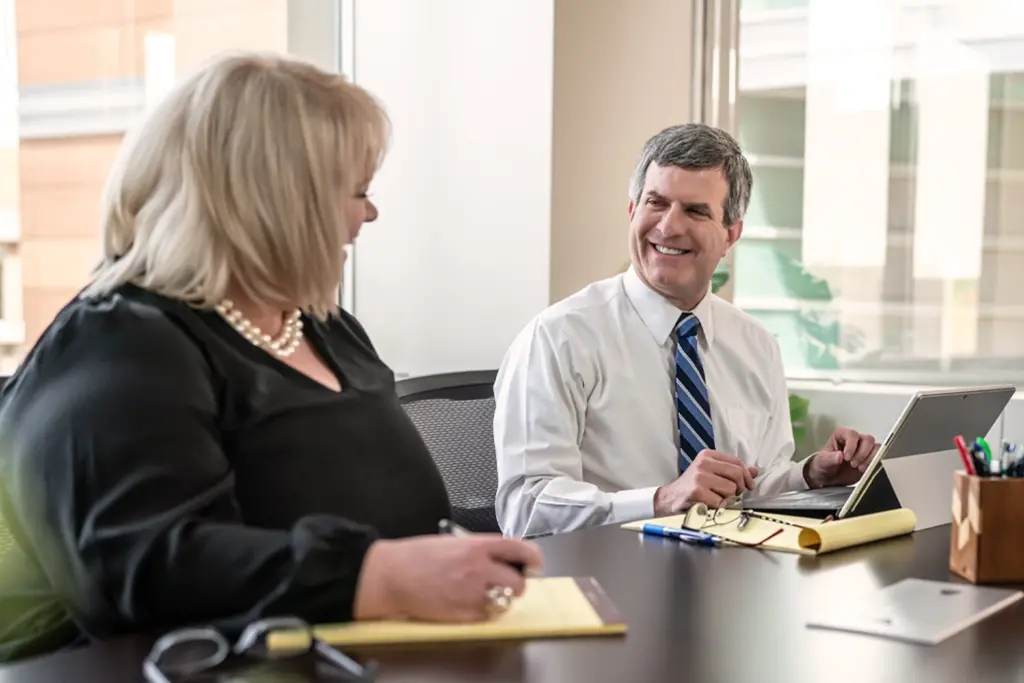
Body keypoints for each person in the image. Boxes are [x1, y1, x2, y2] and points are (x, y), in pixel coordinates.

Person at [0, 51, 541, 661]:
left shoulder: (330, 331)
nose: (370, 212)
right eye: (357, 190)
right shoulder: (124, 343)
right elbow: (145, 568)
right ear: (275, 201)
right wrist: (377, 576)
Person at [493, 123, 880, 539]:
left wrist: (810, 476)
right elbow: (525, 507)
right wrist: (661, 501)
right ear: (631, 211)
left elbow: (753, 487)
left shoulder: (754, 344)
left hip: (730, 579)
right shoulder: (558, 338)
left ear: (731, 234)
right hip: (609, 580)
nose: (668, 227)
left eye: (695, 211)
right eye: (655, 203)